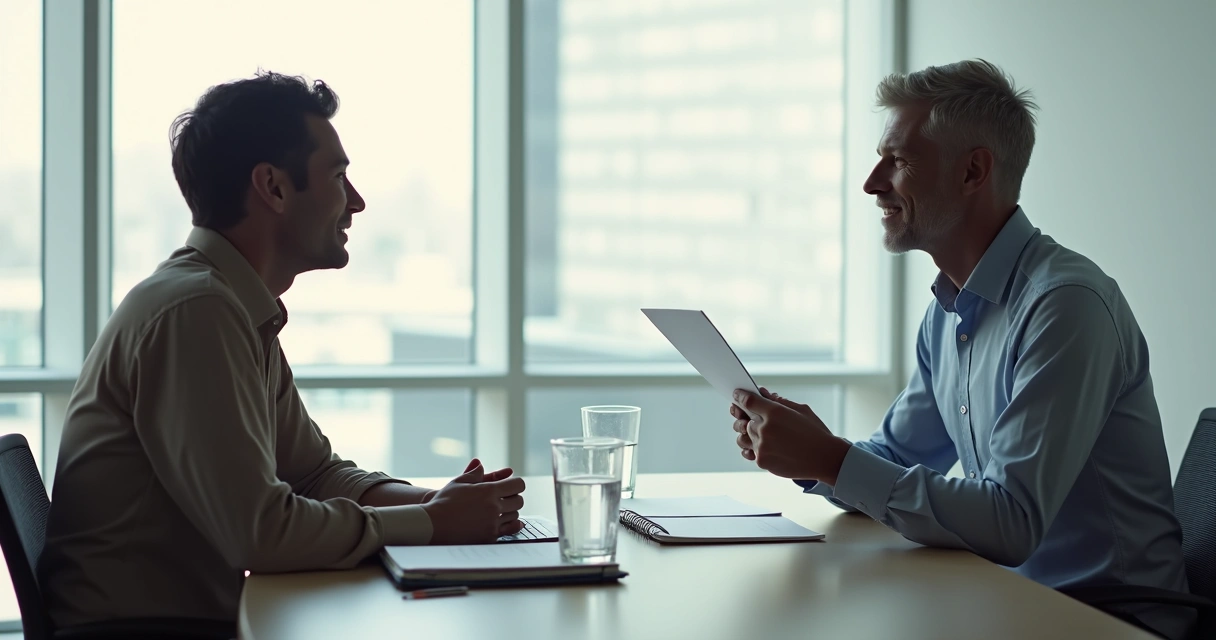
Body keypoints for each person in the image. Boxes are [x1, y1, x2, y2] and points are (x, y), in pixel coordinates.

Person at [40, 72, 526, 635]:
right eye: (339, 176)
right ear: (272, 187)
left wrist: (444, 504)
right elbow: (261, 532)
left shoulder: (232, 305)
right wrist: (431, 523)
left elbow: (313, 473)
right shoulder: (197, 313)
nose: (358, 201)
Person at [729, 60, 1192, 639]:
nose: (873, 183)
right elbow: (896, 460)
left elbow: (1010, 521)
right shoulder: (947, 314)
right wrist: (813, 452)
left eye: (898, 161)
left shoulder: (1066, 305)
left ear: (973, 170)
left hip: (1108, 622)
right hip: (1006, 602)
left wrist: (831, 460)